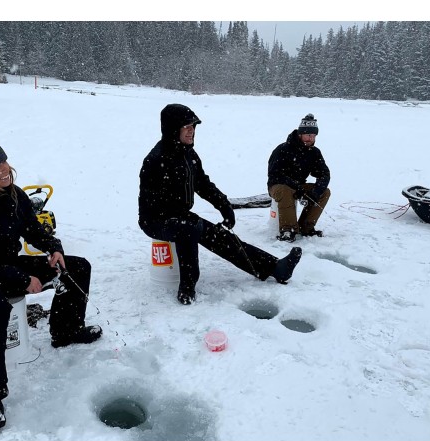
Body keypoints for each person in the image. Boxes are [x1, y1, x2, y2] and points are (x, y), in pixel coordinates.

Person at [0, 132, 102, 433]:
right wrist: (22, 278)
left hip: (6, 265)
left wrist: (53, 248)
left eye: (3, 159)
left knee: (77, 267)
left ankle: (66, 331)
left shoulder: (13, 194)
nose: (4, 168)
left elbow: (32, 229)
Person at [138, 104, 303, 305]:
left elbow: (203, 184)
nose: (191, 131)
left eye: (193, 126)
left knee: (220, 236)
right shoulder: (155, 160)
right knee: (189, 229)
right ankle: (187, 286)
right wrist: (182, 218)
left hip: (180, 216)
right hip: (155, 220)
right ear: (173, 129)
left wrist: (224, 205)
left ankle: (274, 268)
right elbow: (151, 204)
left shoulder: (189, 154)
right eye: (186, 126)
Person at [267, 114, 331, 242]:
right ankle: (288, 230)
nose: (311, 139)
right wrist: (296, 187)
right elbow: (275, 175)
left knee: (325, 192)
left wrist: (315, 192)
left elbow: (324, 173)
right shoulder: (283, 149)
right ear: (300, 134)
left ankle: (306, 227)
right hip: (278, 186)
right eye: (308, 135)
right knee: (285, 191)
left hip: (299, 185)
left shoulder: (314, 152)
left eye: (313, 136)